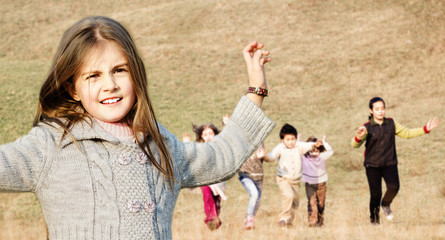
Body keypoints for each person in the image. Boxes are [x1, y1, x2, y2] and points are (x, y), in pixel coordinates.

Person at [0, 16, 275, 240]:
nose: (110, 84)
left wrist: (256, 89)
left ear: (136, 74)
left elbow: (221, 156)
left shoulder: (160, 143)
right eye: (93, 75)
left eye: (119, 70)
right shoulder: (53, 143)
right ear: (72, 88)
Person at [352, 97, 440, 224]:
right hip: (372, 165)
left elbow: (407, 133)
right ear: (371, 111)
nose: (380, 111)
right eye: (377, 109)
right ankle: (374, 223)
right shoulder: (366, 127)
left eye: (382, 108)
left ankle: (386, 204)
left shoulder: (391, 123)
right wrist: (358, 137)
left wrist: (425, 129)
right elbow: (354, 145)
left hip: (389, 163)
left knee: (394, 187)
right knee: (375, 195)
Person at [266, 123, 322, 227]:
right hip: (283, 179)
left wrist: (315, 145)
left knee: (295, 204)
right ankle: (283, 217)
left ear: (296, 138)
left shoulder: (298, 146)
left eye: (293, 139)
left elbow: (307, 145)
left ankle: (288, 223)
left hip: (296, 181)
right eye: (288, 139)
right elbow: (271, 157)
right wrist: (264, 156)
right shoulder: (280, 148)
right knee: (288, 195)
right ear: (283, 140)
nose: (291, 142)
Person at [182, 119, 228, 230]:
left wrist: (227, 125)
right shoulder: (200, 148)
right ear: (202, 137)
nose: (208, 136)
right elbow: (190, 154)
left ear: (215, 135)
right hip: (205, 179)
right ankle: (210, 218)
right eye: (205, 134)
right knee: (207, 195)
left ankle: (215, 221)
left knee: (216, 201)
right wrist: (186, 143)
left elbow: (227, 140)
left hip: (218, 180)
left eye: (211, 134)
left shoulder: (219, 145)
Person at [301, 135, 334, 227]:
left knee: (321, 204)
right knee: (312, 202)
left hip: (321, 184)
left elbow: (331, 152)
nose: (314, 153)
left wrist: (324, 143)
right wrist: (300, 140)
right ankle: (312, 221)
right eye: (312, 151)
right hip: (309, 184)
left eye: (316, 150)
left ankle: (320, 222)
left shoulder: (322, 157)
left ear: (320, 150)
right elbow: (298, 149)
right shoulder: (304, 158)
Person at [238, 143, 271, 230]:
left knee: (257, 202)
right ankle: (249, 218)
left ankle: (248, 221)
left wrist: (265, 156)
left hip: (259, 176)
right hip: (246, 174)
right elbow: (241, 157)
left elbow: (265, 158)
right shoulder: (242, 140)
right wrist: (255, 156)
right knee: (254, 194)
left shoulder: (260, 141)